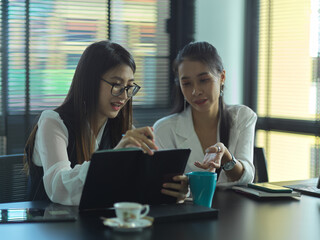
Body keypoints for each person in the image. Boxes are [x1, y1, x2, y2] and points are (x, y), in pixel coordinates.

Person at [24, 40, 187, 205]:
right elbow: (58, 188)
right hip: (49, 226)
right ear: (90, 81)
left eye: (129, 87)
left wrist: (173, 192)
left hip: (97, 225)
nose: (124, 96)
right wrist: (114, 157)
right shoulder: (53, 122)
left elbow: (133, 189)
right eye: (116, 85)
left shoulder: (123, 130)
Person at [153, 41, 257, 185]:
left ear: (222, 77)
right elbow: (163, 186)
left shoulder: (242, 117)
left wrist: (226, 156)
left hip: (235, 206)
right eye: (187, 84)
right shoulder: (164, 129)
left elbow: (246, 177)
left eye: (203, 80)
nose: (196, 91)